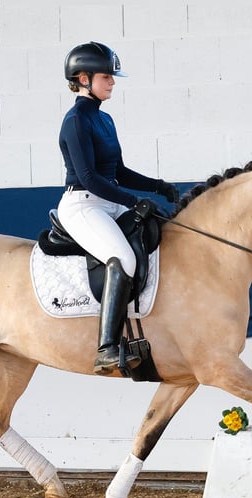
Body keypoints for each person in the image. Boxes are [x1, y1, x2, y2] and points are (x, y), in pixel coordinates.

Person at [57, 41, 179, 375]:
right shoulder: (75, 121)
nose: (112, 82)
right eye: (106, 76)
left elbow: (119, 172)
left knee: (160, 232)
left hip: (108, 202)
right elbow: (89, 177)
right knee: (123, 258)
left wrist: (158, 186)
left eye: (113, 76)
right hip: (83, 206)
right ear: (83, 78)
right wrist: (132, 201)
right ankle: (107, 349)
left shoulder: (105, 120)